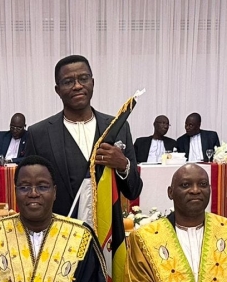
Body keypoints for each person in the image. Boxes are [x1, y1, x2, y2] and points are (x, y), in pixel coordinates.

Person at [21, 55, 141, 218]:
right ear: (57, 90)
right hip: (60, 233)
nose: (77, 86)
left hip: (108, 235)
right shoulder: (38, 134)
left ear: (93, 82)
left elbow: (133, 191)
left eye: (83, 78)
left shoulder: (118, 127)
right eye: (68, 81)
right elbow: (30, 189)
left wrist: (122, 165)